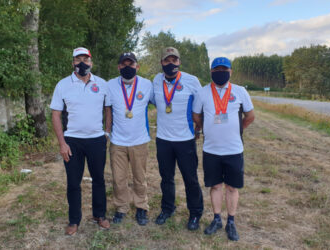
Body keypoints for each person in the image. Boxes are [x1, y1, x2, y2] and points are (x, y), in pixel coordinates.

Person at [50, 47, 112, 236]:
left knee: (99, 180)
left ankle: (99, 215)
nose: (82, 63)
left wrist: (107, 132)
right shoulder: (62, 85)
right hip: (73, 141)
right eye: (78, 59)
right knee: (73, 183)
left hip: (96, 140)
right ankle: (74, 220)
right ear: (73, 63)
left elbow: (108, 109)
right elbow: (55, 114)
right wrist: (62, 143)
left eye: (86, 59)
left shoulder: (101, 84)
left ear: (92, 62)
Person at [192, 57, 255, 241]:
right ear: (211, 71)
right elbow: (196, 116)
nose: (220, 72)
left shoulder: (240, 91)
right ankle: (217, 218)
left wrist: (237, 129)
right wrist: (206, 128)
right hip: (211, 149)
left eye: (224, 69)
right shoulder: (203, 92)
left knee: (232, 187)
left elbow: (250, 116)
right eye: (216, 69)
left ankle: (231, 222)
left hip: (234, 149)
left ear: (230, 71)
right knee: (215, 186)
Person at [151, 47, 204, 231]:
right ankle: (167, 209)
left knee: (190, 179)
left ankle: (195, 213)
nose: (171, 63)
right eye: (167, 60)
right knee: (166, 178)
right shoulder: (156, 80)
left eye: (174, 60)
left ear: (179, 62)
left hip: (185, 139)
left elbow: (200, 108)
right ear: (162, 63)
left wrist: (199, 129)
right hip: (163, 139)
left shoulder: (192, 81)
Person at [107, 52, 153, 226]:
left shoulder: (147, 85)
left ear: (137, 66)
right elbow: (108, 109)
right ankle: (121, 207)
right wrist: (107, 131)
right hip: (118, 141)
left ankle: (141, 206)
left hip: (140, 140)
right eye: (124, 64)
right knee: (119, 178)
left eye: (131, 64)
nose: (127, 67)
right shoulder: (110, 85)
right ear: (119, 67)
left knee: (139, 177)